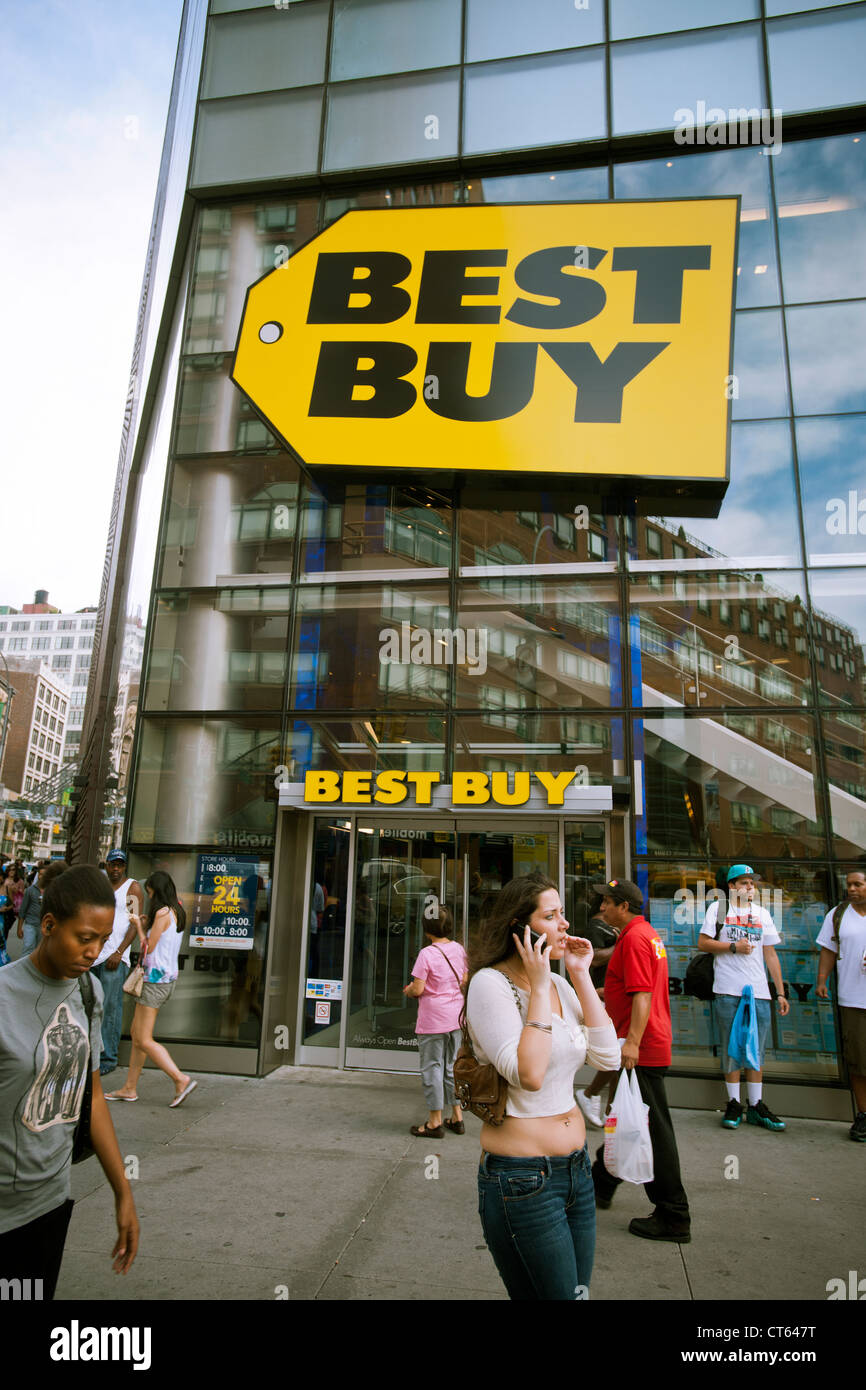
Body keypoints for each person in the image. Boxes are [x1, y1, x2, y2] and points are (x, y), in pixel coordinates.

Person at [465, 873, 620, 1300]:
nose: (565, 925)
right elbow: (528, 1074)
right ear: (521, 928)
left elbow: (607, 1058)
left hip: (576, 1171)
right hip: (521, 1180)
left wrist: (579, 975)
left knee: (577, 1293)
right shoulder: (489, 985)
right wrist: (537, 985)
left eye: (562, 914)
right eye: (550, 916)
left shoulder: (560, 984)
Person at [0, 865, 139, 1297]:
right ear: (48, 925)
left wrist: (123, 1193)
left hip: (49, 1204)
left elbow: (92, 1097)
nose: (94, 952)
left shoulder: (89, 993)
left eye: (102, 939)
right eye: (84, 938)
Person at [591, 877, 691, 1243]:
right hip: (646, 1044)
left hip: (642, 1048)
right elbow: (631, 988)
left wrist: (631, 1043)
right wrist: (600, 991)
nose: (601, 908)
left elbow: (642, 995)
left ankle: (674, 1215)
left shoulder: (633, 938)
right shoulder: (643, 933)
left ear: (623, 906)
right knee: (630, 1120)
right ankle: (600, 1182)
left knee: (652, 1131)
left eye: (607, 902)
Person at [698, 864, 789, 1132]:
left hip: (759, 991)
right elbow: (703, 943)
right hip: (728, 989)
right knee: (731, 1047)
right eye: (745, 883)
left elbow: (770, 954)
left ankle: (757, 1104)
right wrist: (732, 947)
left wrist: (780, 992)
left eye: (752, 883)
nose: (751, 887)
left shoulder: (762, 914)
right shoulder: (719, 910)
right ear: (732, 887)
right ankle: (734, 1103)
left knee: (756, 1049)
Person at [105, 871, 196, 1108]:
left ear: (154, 890)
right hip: (166, 979)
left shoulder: (163, 913)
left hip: (155, 982)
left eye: (149, 891)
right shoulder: (176, 910)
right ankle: (129, 1088)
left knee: (143, 1039)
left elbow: (148, 946)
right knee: (137, 1035)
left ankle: (180, 1079)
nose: (148, 893)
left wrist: (137, 925)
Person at [402, 905, 468, 1138]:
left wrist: (408, 991)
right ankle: (457, 1116)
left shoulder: (426, 954)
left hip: (433, 1020)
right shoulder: (459, 949)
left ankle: (434, 1122)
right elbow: (464, 978)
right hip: (456, 1017)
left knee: (432, 1067)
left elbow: (418, 988)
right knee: (452, 1067)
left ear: (427, 929)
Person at [816, 869, 866, 1142]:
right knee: (858, 1062)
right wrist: (822, 980)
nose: (852, 889)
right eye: (849, 885)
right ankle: (863, 1115)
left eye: (858, 884)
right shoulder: (838, 914)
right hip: (852, 999)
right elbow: (827, 949)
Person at [90, 850, 143, 1077]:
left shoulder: (132, 888)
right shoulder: (100, 887)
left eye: (120, 865)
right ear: (107, 865)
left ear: (125, 867)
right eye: (112, 865)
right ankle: (92, 1055)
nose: (116, 869)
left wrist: (120, 951)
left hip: (115, 958)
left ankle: (108, 1057)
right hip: (94, 957)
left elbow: (135, 923)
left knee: (110, 1009)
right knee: (92, 1008)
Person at [576, 892, 621, 1129]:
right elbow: (593, 959)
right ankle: (601, 1102)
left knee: (617, 1059)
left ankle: (609, 1109)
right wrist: (619, 947)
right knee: (616, 1058)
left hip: (612, 998)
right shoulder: (596, 928)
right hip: (602, 998)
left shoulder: (612, 929)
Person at [15, 860, 68, 958]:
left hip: (44, 926)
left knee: (40, 949)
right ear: (37, 875)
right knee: (28, 947)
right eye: (40, 874)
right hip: (30, 924)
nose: (42, 876)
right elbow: (23, 910)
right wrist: (19, 928)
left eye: (44, 874)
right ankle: (25, 970)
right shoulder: (30, 890)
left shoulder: (52, 891)